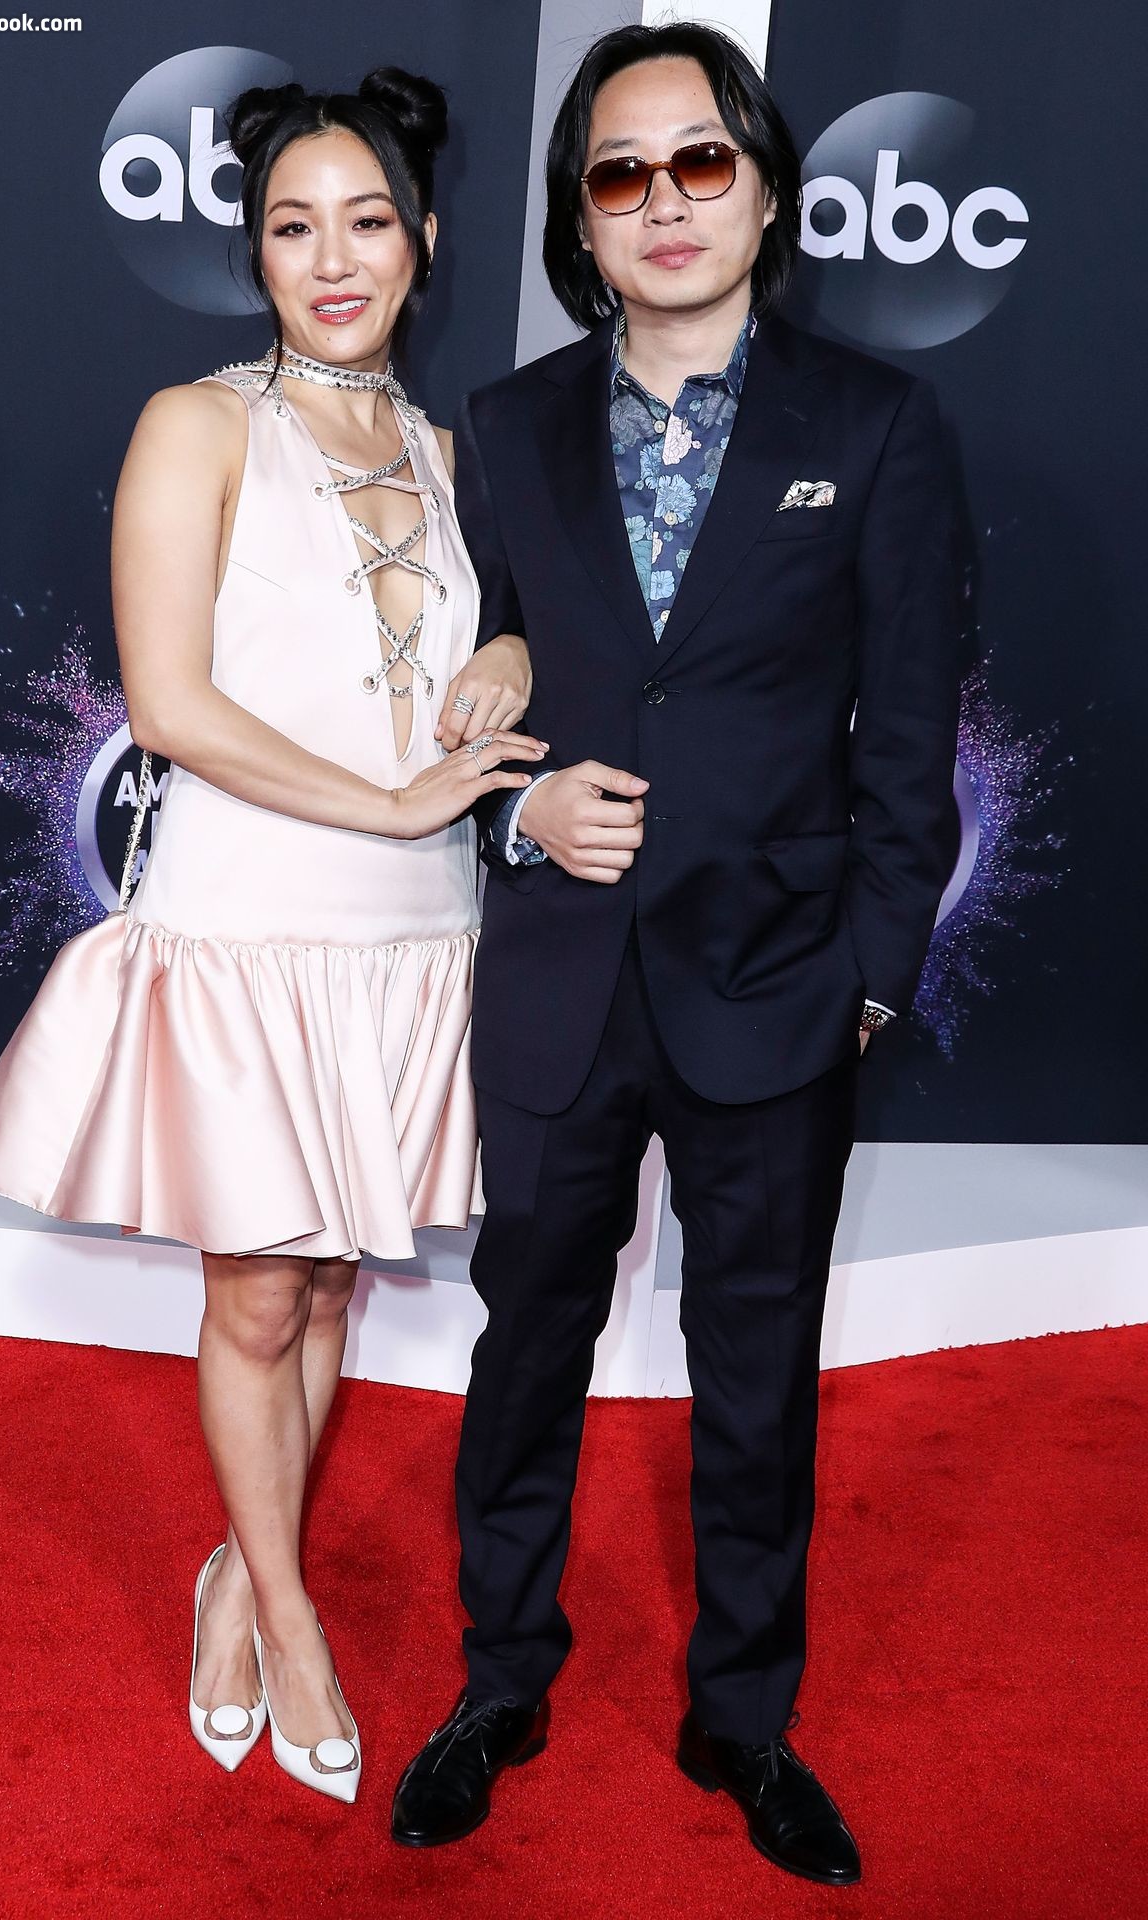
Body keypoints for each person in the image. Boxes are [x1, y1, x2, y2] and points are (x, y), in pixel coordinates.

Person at [392, 23, 960, 1884]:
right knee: (526, 1350)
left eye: (699, 161)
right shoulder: (503, 428)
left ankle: (744, 1719)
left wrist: (868, 978)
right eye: (620, 173)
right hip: (560, 976)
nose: (663, 202)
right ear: (579, 218)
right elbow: (465, 702)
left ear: (766, 188)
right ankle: (499, 1682)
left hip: (780, 984)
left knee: (758, 1368)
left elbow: (909, 747)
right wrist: (517, 815)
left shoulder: (874, 427)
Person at [0, 68, 537, 1804]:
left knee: (334, 1273)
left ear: (424, 241)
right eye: (293, 227)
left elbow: (500, 652)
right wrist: (387, 805)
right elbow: (172, 705)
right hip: (252, 918)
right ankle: (281, 1612)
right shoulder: (195, 426)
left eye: (367, 223)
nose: (332, 260)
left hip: (414, 936)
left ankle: (233, 1567)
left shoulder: (456, 460)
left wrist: (507, 658)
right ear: (256, 254)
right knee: (260, 1289)